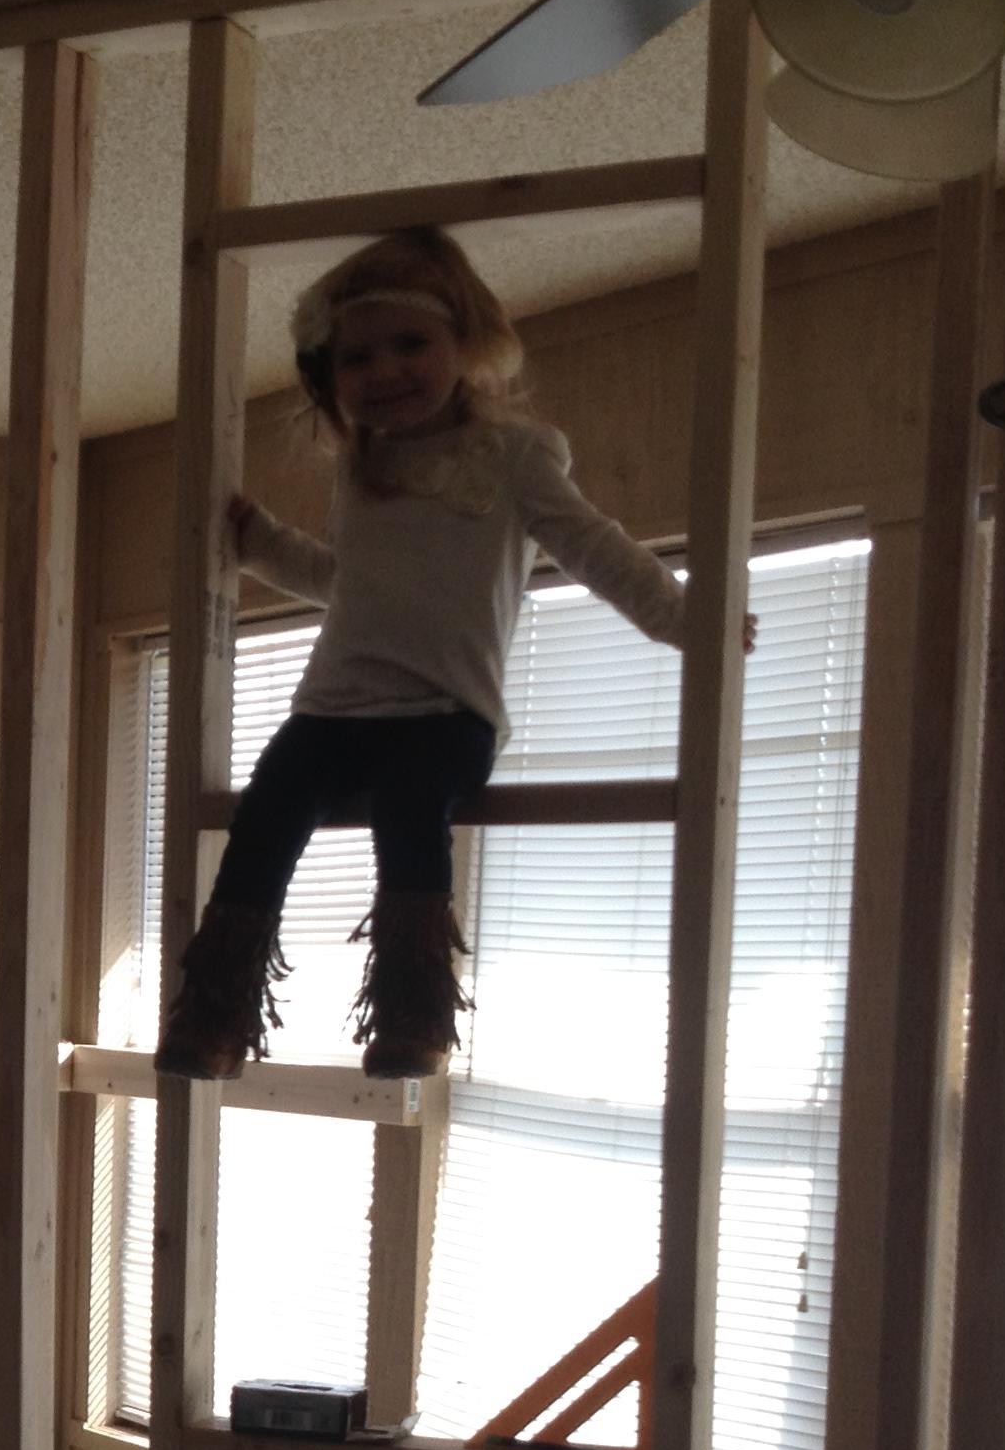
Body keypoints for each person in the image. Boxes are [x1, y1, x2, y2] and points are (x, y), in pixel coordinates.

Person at [153, 224, 743, 1081]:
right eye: (356, 360)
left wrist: (687, 620)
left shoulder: (513, 456)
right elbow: (347, 584)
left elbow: (590, 543)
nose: (384, 372)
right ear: (331, 377)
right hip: (331, 709)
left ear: (463, 346)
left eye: (409, 345)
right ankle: (213, 1015)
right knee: (262, 824)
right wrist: (265, 544)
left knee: (412, 823)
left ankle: (413, 1015)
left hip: (442, 712)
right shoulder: (363, 469)